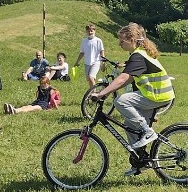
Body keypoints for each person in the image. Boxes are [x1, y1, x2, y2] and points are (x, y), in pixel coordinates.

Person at [89, 23, 174, 176]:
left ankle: (148, 132)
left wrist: (102, 93)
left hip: (157, 96)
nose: (119, 43)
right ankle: (141, 161)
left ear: (132, 39)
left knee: (121, 101)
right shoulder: (139, 54)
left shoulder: (138, 56)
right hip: (155, 95)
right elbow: (128, 79)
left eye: (122, 40)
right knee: (130, 125)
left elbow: (123, 79)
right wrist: (108, 91)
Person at [74, 23, 105, 88]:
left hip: (96, 62)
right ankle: (93, 91)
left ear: (94, 31)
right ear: (86, 31)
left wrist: (103, 63)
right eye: (88, 31)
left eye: (91, 31)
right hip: (87, 63)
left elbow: (102, 52)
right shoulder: (84, 41)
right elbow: (82, 52)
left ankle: (94, 93)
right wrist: (77, 62)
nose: (90, 32)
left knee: (91, 77)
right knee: (89, 79)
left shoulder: (98, 40)